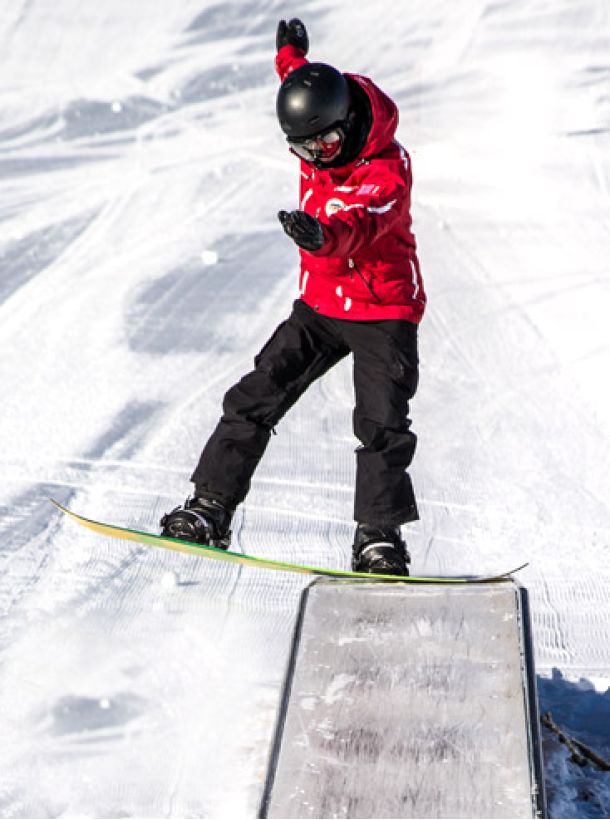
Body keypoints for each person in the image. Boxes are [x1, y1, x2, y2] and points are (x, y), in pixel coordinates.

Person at [160, 18, 426, 576]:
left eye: (327, 143)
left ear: (348, 122)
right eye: (304, 150)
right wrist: (290, 54)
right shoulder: (320, 118)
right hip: (321, 306)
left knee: (381, 424)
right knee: (254, 396)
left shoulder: (387, 169)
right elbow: (299, 78)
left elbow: (364, 218)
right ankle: (210, 506)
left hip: (383, 310)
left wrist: (326, 238)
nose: (319, 158)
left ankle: (378, 538)